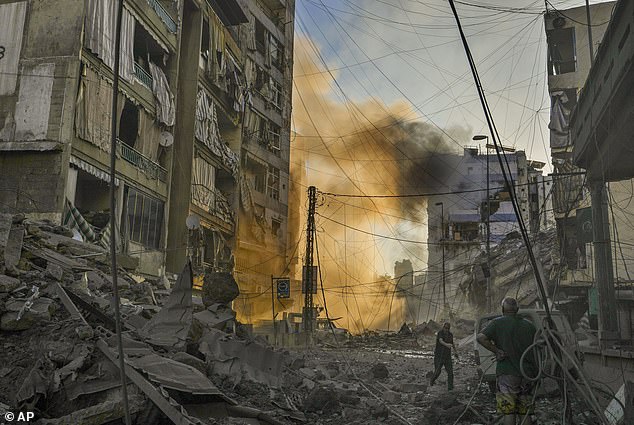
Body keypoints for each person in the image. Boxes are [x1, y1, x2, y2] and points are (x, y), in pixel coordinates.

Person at [477, 297, 537, 425]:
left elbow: (481, 337)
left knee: (509, 411)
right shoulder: (530, 326)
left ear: (503, 309)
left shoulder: (497, 323)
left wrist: (497, 350)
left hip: (507, 373)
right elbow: (539, 347)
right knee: (524, 411)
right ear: (517, 310)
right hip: (527, 374)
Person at [430, 322, 459, 390]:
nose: (446, 330)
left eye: (448, 328)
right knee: (437, 371)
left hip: (447, 357)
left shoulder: (450, 335)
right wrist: (447, 345)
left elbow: (452, 343)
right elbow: (441, 341)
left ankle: (450, 387)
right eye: (445, 328)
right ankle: (432, 380)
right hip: (439, 356)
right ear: (443, 327)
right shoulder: (440, 333)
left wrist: (455, 352)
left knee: (450, 372)